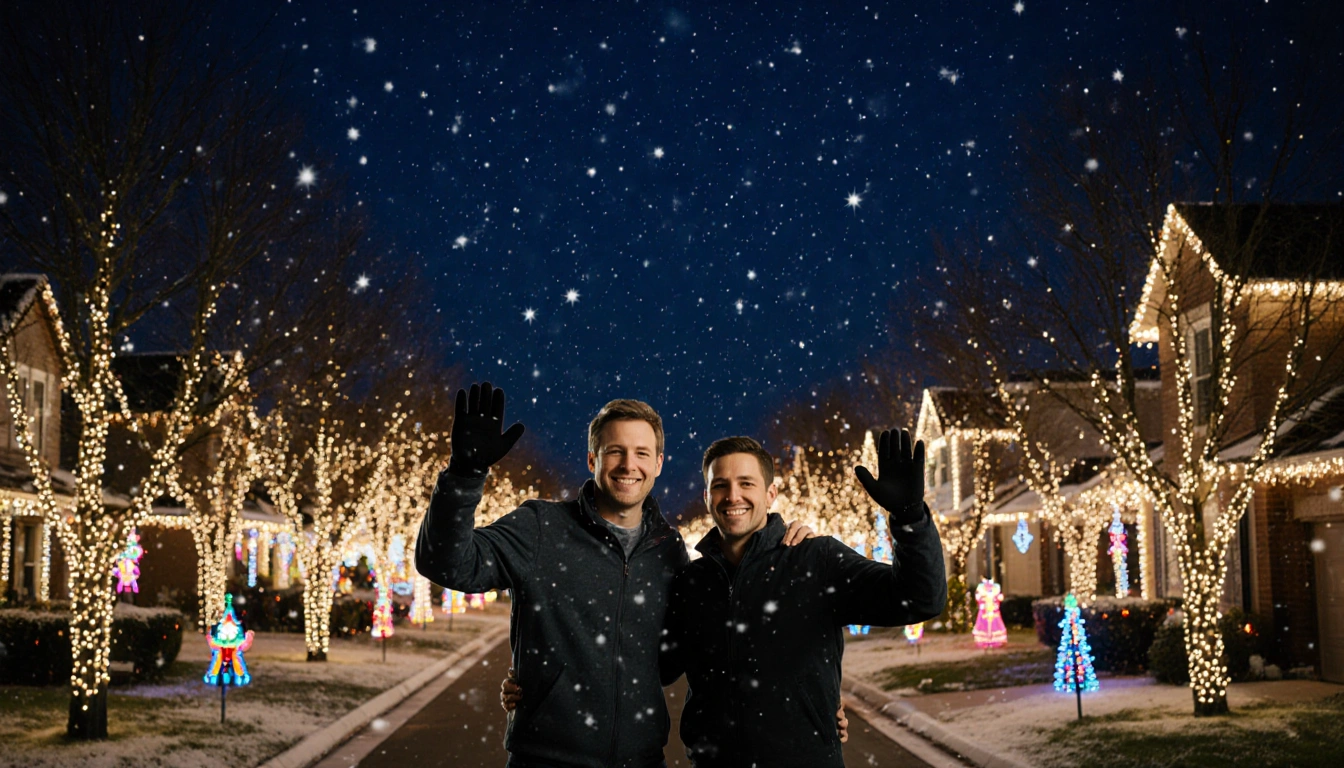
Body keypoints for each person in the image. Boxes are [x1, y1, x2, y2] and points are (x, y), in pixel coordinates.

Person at [415, 382, 822, 768]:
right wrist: (464, 474)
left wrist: (814, 695)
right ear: (592, 459)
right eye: (615, 452)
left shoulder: (669, 548)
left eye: (643, 453)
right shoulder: (541, 527)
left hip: (642, 761)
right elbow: (446, 563)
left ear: (659, 463)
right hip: (545, 760)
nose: (629, 465)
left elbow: (695, 651)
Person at [658, 431, 946, 768]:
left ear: (771, 494)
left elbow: (920, 598)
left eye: (746, 483)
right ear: (707, 496)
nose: (732, 495)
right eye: (720, 485)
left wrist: (910, 518)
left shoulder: (815, 559)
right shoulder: (692, 582)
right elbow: (657, 667)